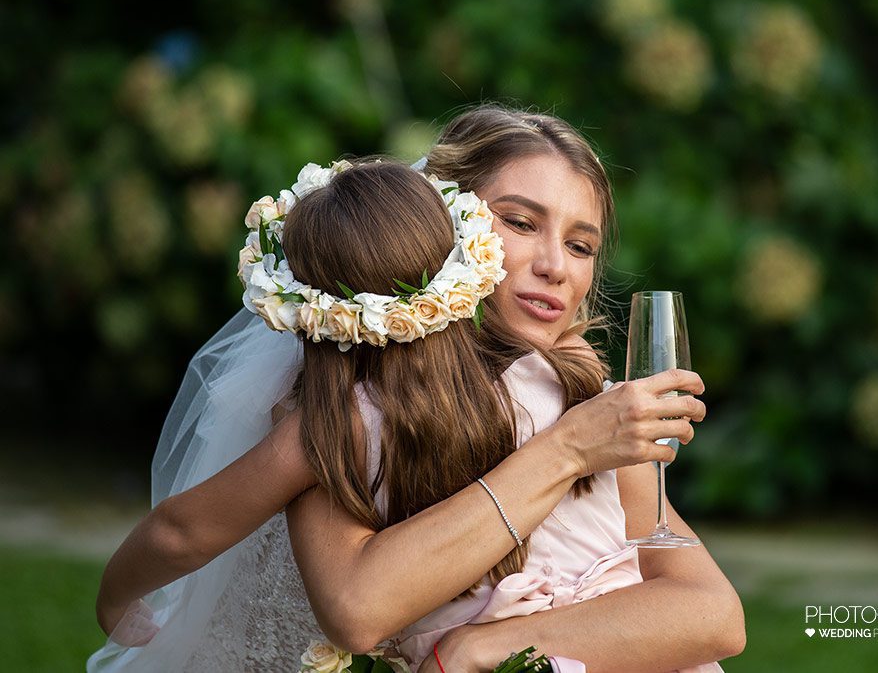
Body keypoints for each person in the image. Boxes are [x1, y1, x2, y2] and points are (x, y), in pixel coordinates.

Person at [91, 106, 746, 671]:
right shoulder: (349, 408)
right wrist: (568, 450)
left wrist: (489, 645)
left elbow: (714, 613)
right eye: (521, 223)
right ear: (444, 226)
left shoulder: (592, 402)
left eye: (581, 245)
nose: (555, 266)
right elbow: (351, 605)